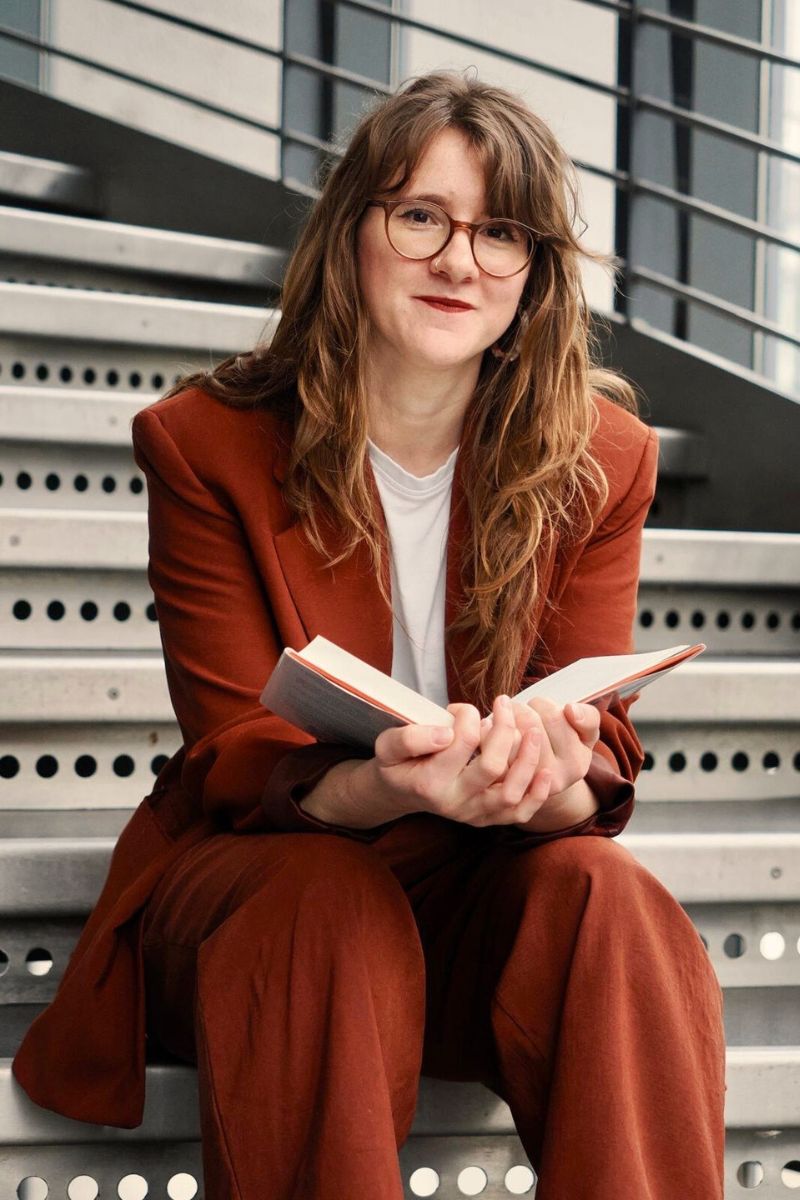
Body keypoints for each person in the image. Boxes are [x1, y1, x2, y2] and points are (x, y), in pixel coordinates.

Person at [13, 70, 726, 1199]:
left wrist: (542, 777)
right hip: (265, 895)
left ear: (535, 272)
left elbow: (599, 752)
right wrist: (390, 783)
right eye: (421, 217)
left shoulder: (602, 458)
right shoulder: (208, 443)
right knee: (324, 902)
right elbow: (233, 757)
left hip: (469, 898)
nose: (460, 262)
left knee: (609, 899)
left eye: (501, 233)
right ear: (353, 231)